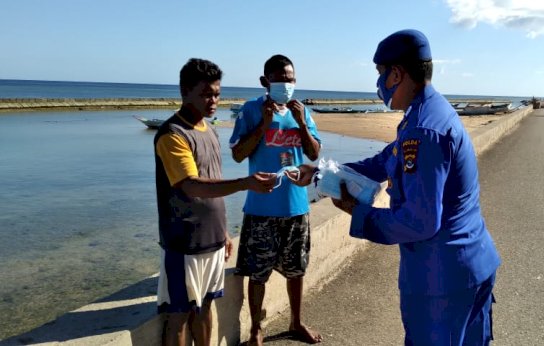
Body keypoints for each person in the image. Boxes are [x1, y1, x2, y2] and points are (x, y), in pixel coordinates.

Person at [290, 29, 501, 345]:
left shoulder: (423, 132)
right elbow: (384, 161)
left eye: (380, 74)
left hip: (440, 277)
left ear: (397, 74)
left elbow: (420, 222)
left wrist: (358, 212)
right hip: (470, 264)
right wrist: (320, 172)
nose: (378, 85)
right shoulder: (429, 112)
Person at [154, 58, 276, 346]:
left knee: (206, 306)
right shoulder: (172, 135)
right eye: (206, 94)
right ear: (185, 92)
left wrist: (223, 233)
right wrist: (246, 183)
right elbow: (191, 186)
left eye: (217, 94)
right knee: (179, 315)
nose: (214, 101)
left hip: (212, 241)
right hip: (183, 244)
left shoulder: (209, 130)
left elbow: (213, 178)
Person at [229, 54, 323, 345]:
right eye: (280, 78)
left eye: (291, 78)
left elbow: (314, 153)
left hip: (296, 206)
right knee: (257, 274)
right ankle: (256, 329)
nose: (286, 83)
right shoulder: (250, 110)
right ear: (265, 81)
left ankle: (296, 322)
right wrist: (264, 125)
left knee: (296, 270)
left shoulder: (301, 111)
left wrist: (301, 123)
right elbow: (237, 154)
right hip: (261, 207)